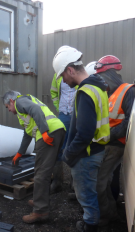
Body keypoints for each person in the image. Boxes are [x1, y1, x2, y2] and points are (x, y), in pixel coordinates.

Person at [52, 46, 110, 232]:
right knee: (89, 193)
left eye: (62, 76)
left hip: (86, 154)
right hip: (96, 150)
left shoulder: (85, 92)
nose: (62, 81)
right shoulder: (99, 86)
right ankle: (89, 224)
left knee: (86, 195)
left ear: (70, 70)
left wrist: (68, 154)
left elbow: (84, 132)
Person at [1, 90, 66, 223]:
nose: (8, 110)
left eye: (8, 107)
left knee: (41, 172)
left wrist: (45, 132)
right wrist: (20, 152)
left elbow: (36, 109)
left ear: (11, 101)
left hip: (50, 132)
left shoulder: (20, 101)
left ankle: (40, 211)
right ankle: (39, 201)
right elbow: (27, 133)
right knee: (43, 170)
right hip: (57, 129)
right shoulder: (24, 107)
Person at [94, 55, 135, 225]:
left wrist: (108, 135)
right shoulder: (110, 93)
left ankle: (106, 215)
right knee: (104, 180)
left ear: (110, 73)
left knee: (98, 182)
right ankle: (109, 210)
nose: (101, 81)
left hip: (116, 144)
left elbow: (130, 122)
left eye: (101, 76)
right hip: (108, 143)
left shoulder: (128, 91)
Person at [49, 46, 78, 194]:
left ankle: (74, 184)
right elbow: (53, 92)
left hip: (76, 115)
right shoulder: (57, 75)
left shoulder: (79, 73)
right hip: (63, 115)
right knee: (58, 146)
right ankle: (58, 182)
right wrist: (58, 106)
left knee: (75, 146)